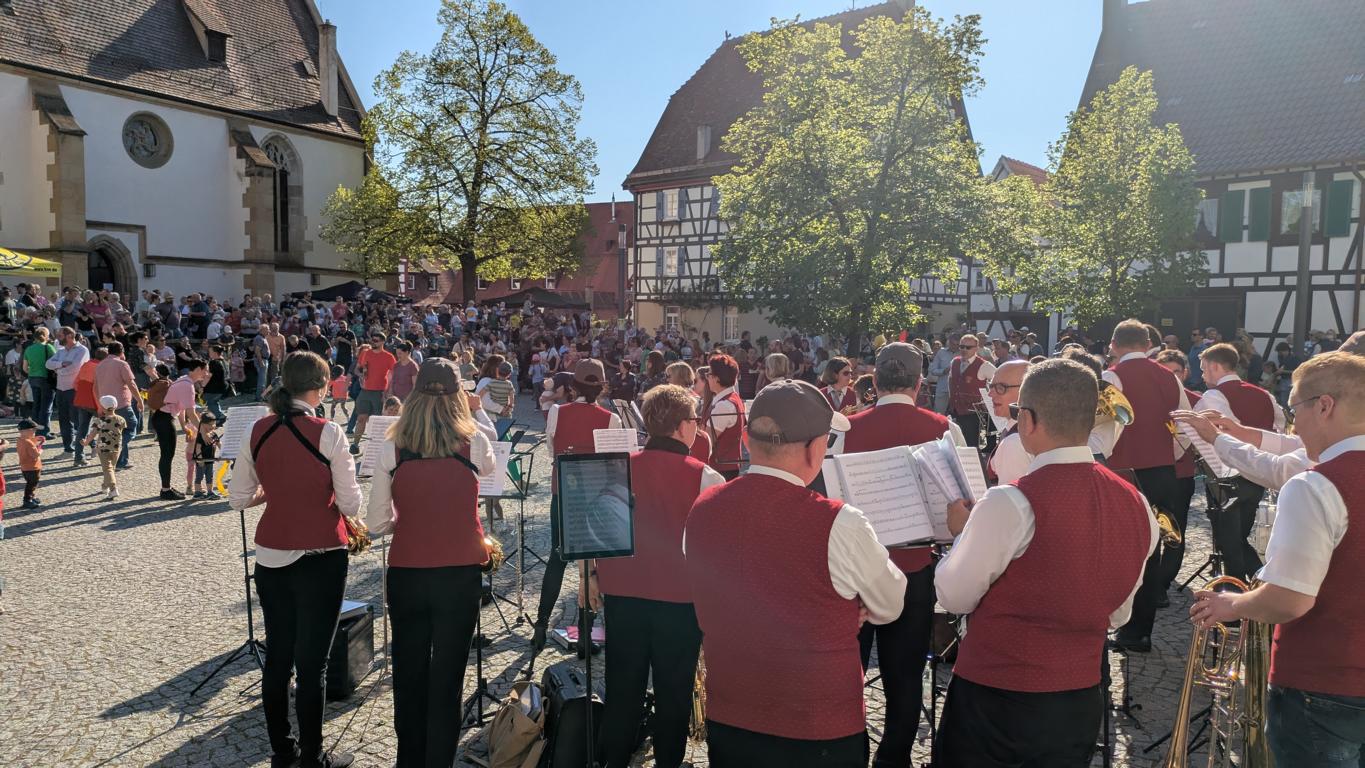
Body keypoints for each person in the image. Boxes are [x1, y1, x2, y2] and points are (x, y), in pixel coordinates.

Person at [934, 359, 1157, 767]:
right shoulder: (1138, 504)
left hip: (998, 697)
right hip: (1078, 702)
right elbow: (1118, 614)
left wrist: (959, 534)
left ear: (1029, 420)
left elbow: (954, 595)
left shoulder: (1010, 501)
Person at [684, 379, 905, 768]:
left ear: (748, 441)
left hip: (732, 718)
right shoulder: (841, 522)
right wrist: (845, 605)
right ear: (816, 448)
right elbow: (889, 604)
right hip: (819, 730)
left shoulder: (702, 507)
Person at [1190, 351, 1365, 767]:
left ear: (1325, 406)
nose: (1293, 424)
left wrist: (1231, 604)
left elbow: (1289, 600)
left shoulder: (1316, 485)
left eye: (1295, 410)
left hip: (1323, 683)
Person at [228, 351, 363, 768]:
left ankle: (282, 753)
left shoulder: (258, 429)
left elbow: (236, 498)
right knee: (312, 664)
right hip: (321, 554)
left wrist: (270, 492)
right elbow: (350, 502)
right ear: (321, 387)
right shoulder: (329, 432)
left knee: (278, 658)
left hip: (271, 555)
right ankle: (313, 757)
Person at [832, 343, 959, 768]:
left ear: (875, 381)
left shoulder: (847, 428)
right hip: (913, 567)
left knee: (847, 675)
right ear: (920, 383)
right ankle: (894, 759)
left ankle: (849, 753)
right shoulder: (943, 427)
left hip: (853, 573)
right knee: (904, 677)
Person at [365, 358, 496, 768]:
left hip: (408, 571)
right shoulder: (474, 441)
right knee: (449, 676)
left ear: (414, 393)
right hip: (459, 573)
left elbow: (376, 523)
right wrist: (475, 410)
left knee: (408, 671)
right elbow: (490, 467)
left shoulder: (392, 445)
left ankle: (410, 760)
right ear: (459, 394)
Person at [585, 385, 725, 768]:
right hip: (680, 604)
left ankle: (612, 761)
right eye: (695, 420)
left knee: (622, 688)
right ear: (682, 427)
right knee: (674, 693)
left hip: (623, 595)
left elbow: (596, 529)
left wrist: (592, 576)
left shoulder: (616, 467)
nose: (697, 427)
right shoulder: (707, 476)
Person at [1104, 319, 1190, 651]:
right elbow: (1183, 425)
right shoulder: (1169, 376)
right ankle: (1140, 632)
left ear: (1114, 344)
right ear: (1147, 344)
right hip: (1161, 472)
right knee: (1153, 548)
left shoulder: (1112, 376)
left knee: (1121, 547)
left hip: (1123, 472)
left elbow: (1103, 428)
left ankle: (1119, 622)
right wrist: (1167, 455)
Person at [532, 359, 622, 651]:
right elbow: (614, 465)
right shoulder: (611, 419)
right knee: (592, 563)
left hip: (564, 494)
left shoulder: (558, 412)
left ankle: (541, 625)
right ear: (602, 387)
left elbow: (550, 450)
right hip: (596, 499)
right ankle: (585, 633)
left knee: (556, 558)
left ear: (573, 386)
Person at [153, 360, 208, 501]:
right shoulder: (187, 385)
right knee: (166, 455)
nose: (206, 373)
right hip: (164, 420)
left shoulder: (184, 380)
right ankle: (165, 490)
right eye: (204, 370)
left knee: (167, 455)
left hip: (162, 418)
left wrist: (184, 426)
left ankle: (166, 488)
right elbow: (191, 412)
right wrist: (203, 431)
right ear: (196, 369)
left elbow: (182, 407)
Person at [94, 341, 143, 470]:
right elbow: (131, 384)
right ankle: (115, 446)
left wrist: (100, 404)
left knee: (119, 430)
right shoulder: (122, 364)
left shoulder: (100, 365)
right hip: (121, 403)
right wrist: (140, 400)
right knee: (132, 426)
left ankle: (122, 461)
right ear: (122, 351)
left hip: (106, 405)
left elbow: (95, 387)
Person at [701, 353, 745, 480]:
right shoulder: (730, 398)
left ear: (717, 378)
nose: (707, 378)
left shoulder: (724, 405)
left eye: (709, 374)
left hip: (721, 469)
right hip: (726, 467)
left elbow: (706, 441)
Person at [985, 360, 1030, 485]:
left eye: (1001, 387)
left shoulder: (1015, 442)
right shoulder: (1021, 428)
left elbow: (1012, 501)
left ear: (1025, 390)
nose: (990, 394)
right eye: (991, 386)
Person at [946, 334, 995, 449]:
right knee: (953, 443)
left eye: (968, 347)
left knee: (971, 446)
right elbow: (951, 380)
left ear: (976, 348)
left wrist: (989, 397)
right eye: (961, 346)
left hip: (972, 414)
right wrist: (951, 398)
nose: (964, 350)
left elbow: (1000, 379)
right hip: (954, 410)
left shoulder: (984, 365)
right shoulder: (955, 362)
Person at [46, 326, 89, 453]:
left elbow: (75, 368)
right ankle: (68, 449)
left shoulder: (82, 350)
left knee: (78, 420)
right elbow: (48, 364)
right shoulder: (61, 351)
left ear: (69, 336)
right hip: (61, 390)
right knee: (64, 421)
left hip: (74, 389)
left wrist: (58, 371)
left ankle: (88, 446)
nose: (57, 338)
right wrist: (60, 365)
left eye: (60, 336)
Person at [353, 332, 396, 451]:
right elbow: (357, 369)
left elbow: (393, 374)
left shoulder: (389, 356)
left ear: (383, 342)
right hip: (365, 391)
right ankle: (355, 445)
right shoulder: (365, 353)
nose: (373, 342)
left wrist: (389, 391)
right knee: (361, 418)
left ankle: (375, 448)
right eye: (372, 340)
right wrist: (360, 374)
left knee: (378, 421)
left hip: (380, 392)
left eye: (376, 340)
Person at [84, 395, 127, 500]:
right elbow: (122, 430)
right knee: (111, 468)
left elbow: (93, 433)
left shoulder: (99, 420)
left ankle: (113, 489)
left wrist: (86, 442)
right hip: (116, 447)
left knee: (107, 468)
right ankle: (105, 486)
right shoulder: (121, 419)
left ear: (102, 407)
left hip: (103, 448)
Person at [23, 326, 56, 437]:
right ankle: (44, 431)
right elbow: (55, 363)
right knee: (46, 406)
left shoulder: (29, 349)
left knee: (36, 405)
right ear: (46, 336)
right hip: (46, 378)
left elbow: (24, 368)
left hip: (32, 378)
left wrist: (33, 372)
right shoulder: (49, 347)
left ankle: (35, 430)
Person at [192, 412, 221, 499]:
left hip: (210, 460)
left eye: (214, 424)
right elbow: (198, 448)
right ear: (203, 425)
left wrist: (223, 453)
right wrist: (200, 459)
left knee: (210, 476)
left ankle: (210, 492)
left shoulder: (214, 434)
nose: (212, 426)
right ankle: (197, 492)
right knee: (199, 476)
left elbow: (219, 444)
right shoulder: (201, 436)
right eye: (210, 424)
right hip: (201, 460)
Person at [17, 418, 43, 508]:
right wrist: (40, 450)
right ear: (27, 431)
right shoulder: (29, 443)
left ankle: (31, 497)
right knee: (32, 484)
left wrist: (35, 440)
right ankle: (27, 500)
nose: (35, 432)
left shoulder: (20, 440)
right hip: (33, 467)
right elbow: (35, 455)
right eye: (34, 430)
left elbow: (27, 443)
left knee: (30, 483)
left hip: (25, 467)